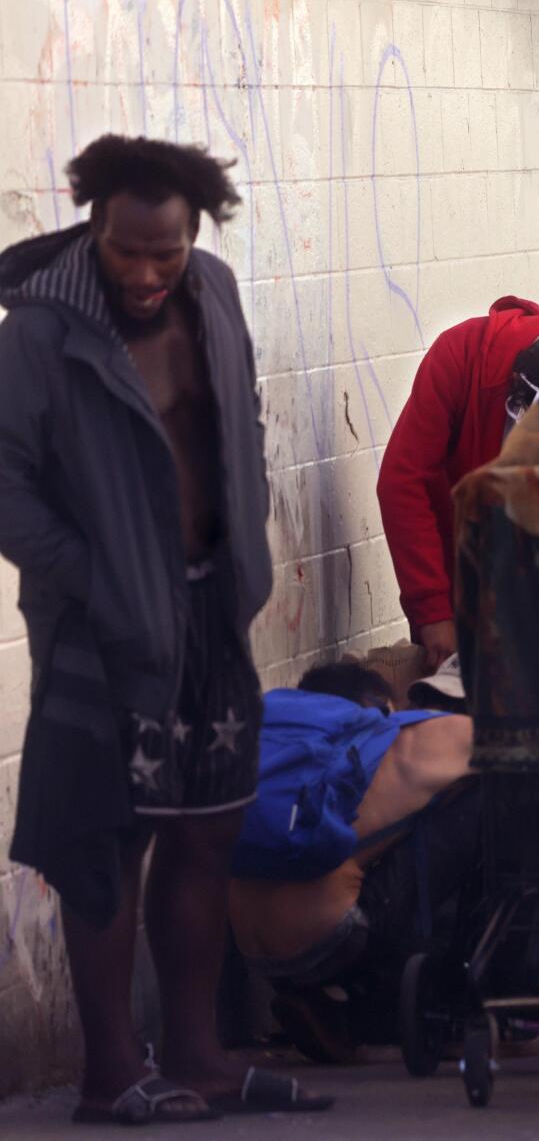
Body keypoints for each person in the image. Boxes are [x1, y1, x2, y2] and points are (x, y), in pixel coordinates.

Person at [0, 136, 327, 1121]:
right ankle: (110, 1072)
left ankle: (199, 1056)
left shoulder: (217, 293)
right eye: (125, 250)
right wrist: (92, 578)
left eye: (165, 252)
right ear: (94, 227)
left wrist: (249, 556)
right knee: (105, 842)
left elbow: (244, 421)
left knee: (206, 834)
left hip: (210, 612)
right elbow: (3, 478)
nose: (145, 273)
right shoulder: (40, 332)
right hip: (103, 629)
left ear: (195, 235)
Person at [228, 663, 479, 1064]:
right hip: (333, 936)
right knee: (478, 801)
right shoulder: (419, 737)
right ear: (381, 708)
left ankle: (325, 1005)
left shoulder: (269, 731)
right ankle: (426, 1006)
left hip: (248, 950)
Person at [377, 301, 539, 668]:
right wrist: (433, 611)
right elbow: (401, 482)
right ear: (515, 401)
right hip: (455, 574)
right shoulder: (457, 358)